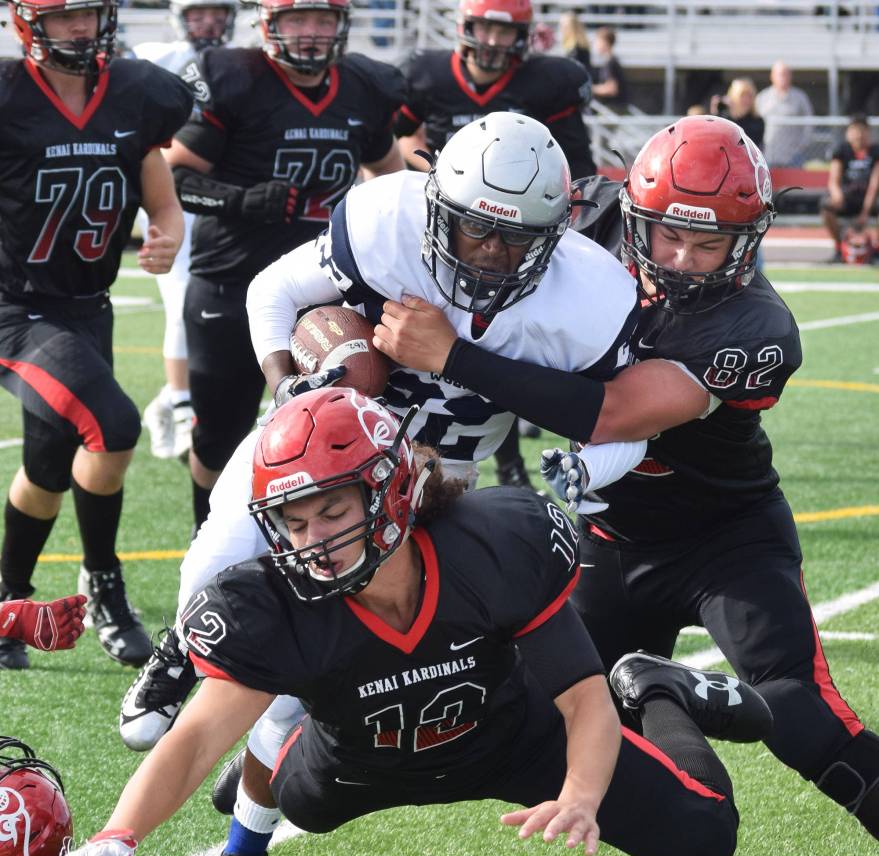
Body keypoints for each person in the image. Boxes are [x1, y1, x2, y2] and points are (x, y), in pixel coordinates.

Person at [25, 389, 772, 856]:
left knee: (704, 837)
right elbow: (194, 738)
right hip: (360, 753)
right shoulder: (273, 605)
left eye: (328, 511)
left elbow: (580, 701)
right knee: (290, 785)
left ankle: (658, 686)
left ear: (386, 492)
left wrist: (579, 795)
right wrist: (120, 833)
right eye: (292, 521)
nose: (309, 539)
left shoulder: (491, 546)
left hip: (513, 735)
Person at [373, 115, 879, 845]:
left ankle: (669, 691)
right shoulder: (590, 212)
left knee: (800, 719)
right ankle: (290, 774)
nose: (681, 257)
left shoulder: (756, 328)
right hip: (606, 540)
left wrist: (453, 356)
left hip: (723, 537)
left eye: (709, 244)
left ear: (749, 237)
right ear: (634, 212)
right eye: (668, 235)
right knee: (539, 721)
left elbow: (611, 414)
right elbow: (483, 202)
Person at [120, 110, 643, 750]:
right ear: (437, 202)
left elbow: (625, 424)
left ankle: (255, 814)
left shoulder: (591, 295)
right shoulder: (386, 223)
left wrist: (587, 469)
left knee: (316, 670)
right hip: (321, 438)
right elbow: (270, 292)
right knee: (214, 558)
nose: (488, 250)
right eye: (473, 226)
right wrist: (287, 388)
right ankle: (179, 650)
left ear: (555, 232)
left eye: (513, 239)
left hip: (437, 477)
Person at [0, 0, 193, 669]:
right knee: (111, 426)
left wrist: (166, 226)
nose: (81, 29)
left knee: (49, 469)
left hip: (88, 304)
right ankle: (105, 583)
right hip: (15, 309)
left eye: (89, 14)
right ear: (30, 23)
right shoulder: (8, 93)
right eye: (64, 17)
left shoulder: (137, 91)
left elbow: (151, 177)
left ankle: (7, 602)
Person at [165, 0, 406, 531]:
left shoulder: (362, 88)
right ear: (269, 24)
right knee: (219, 436)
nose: (312, 33)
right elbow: (176, 178)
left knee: (333, 428)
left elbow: (391, 182)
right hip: (230, 280)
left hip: (320, 295)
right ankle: (206, 533)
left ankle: (324, 542)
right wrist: (241, 200)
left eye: (323, 20)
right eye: (298, 19)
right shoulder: (236, 79)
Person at [393, 0, 596, 487]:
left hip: (518, 238)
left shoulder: (546, 84)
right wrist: (445, 183)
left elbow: (577, 169)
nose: (491, 43)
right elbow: (399, 136)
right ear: (464, 28)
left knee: (506, 345)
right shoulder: (427, 76)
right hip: (446, 232)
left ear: (524, 38)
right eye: (483, 29)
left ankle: (527, 457)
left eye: (503, 33)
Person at [134, 0, 238, 461]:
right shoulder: (155, 59)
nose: (209, 24)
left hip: (222, 198)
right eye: (199, 14)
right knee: (182, 302)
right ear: (180, 17)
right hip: (168, 194)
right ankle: (179, 404)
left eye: (218, 13)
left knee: (213, 312)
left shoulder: (243, 64)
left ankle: (167, 400)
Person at [821, 114, 879, 263]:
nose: (858, 134)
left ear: (868, 132)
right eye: (855, 130)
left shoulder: (875, 151)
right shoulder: (842, 150)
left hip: (869, 199)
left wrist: (865, 212)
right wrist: (837, 195)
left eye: (862, 130)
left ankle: (876, 250)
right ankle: (839, 247)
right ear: (849, 132)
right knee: (827, 207)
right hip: (847, 197)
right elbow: (833, 180)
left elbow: (874, 184)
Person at [755, 61, 813, 167]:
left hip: (794, 157)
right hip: (767, 156)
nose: (783, 77)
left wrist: (801, 147)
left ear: (791, 76)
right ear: (772, 76)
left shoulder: (800, 98)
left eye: (786, 74)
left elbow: (809, 124)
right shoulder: (762, 97)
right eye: (780, 74)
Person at [710, 78, 764, 149]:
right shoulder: (724, 118)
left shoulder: (757, 121)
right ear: (734, 97)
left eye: (749, 96)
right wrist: (714, 114)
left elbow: (746, 142)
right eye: (742, 96)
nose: (746, 100)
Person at [587, 27, 628, 112]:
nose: (595, 44)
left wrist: (590, 88)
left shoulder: (610, 63)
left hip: (614, 108)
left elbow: (611, 89)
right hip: (616, 107)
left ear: (605, 42)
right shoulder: (611, 60)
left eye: (597, 41)